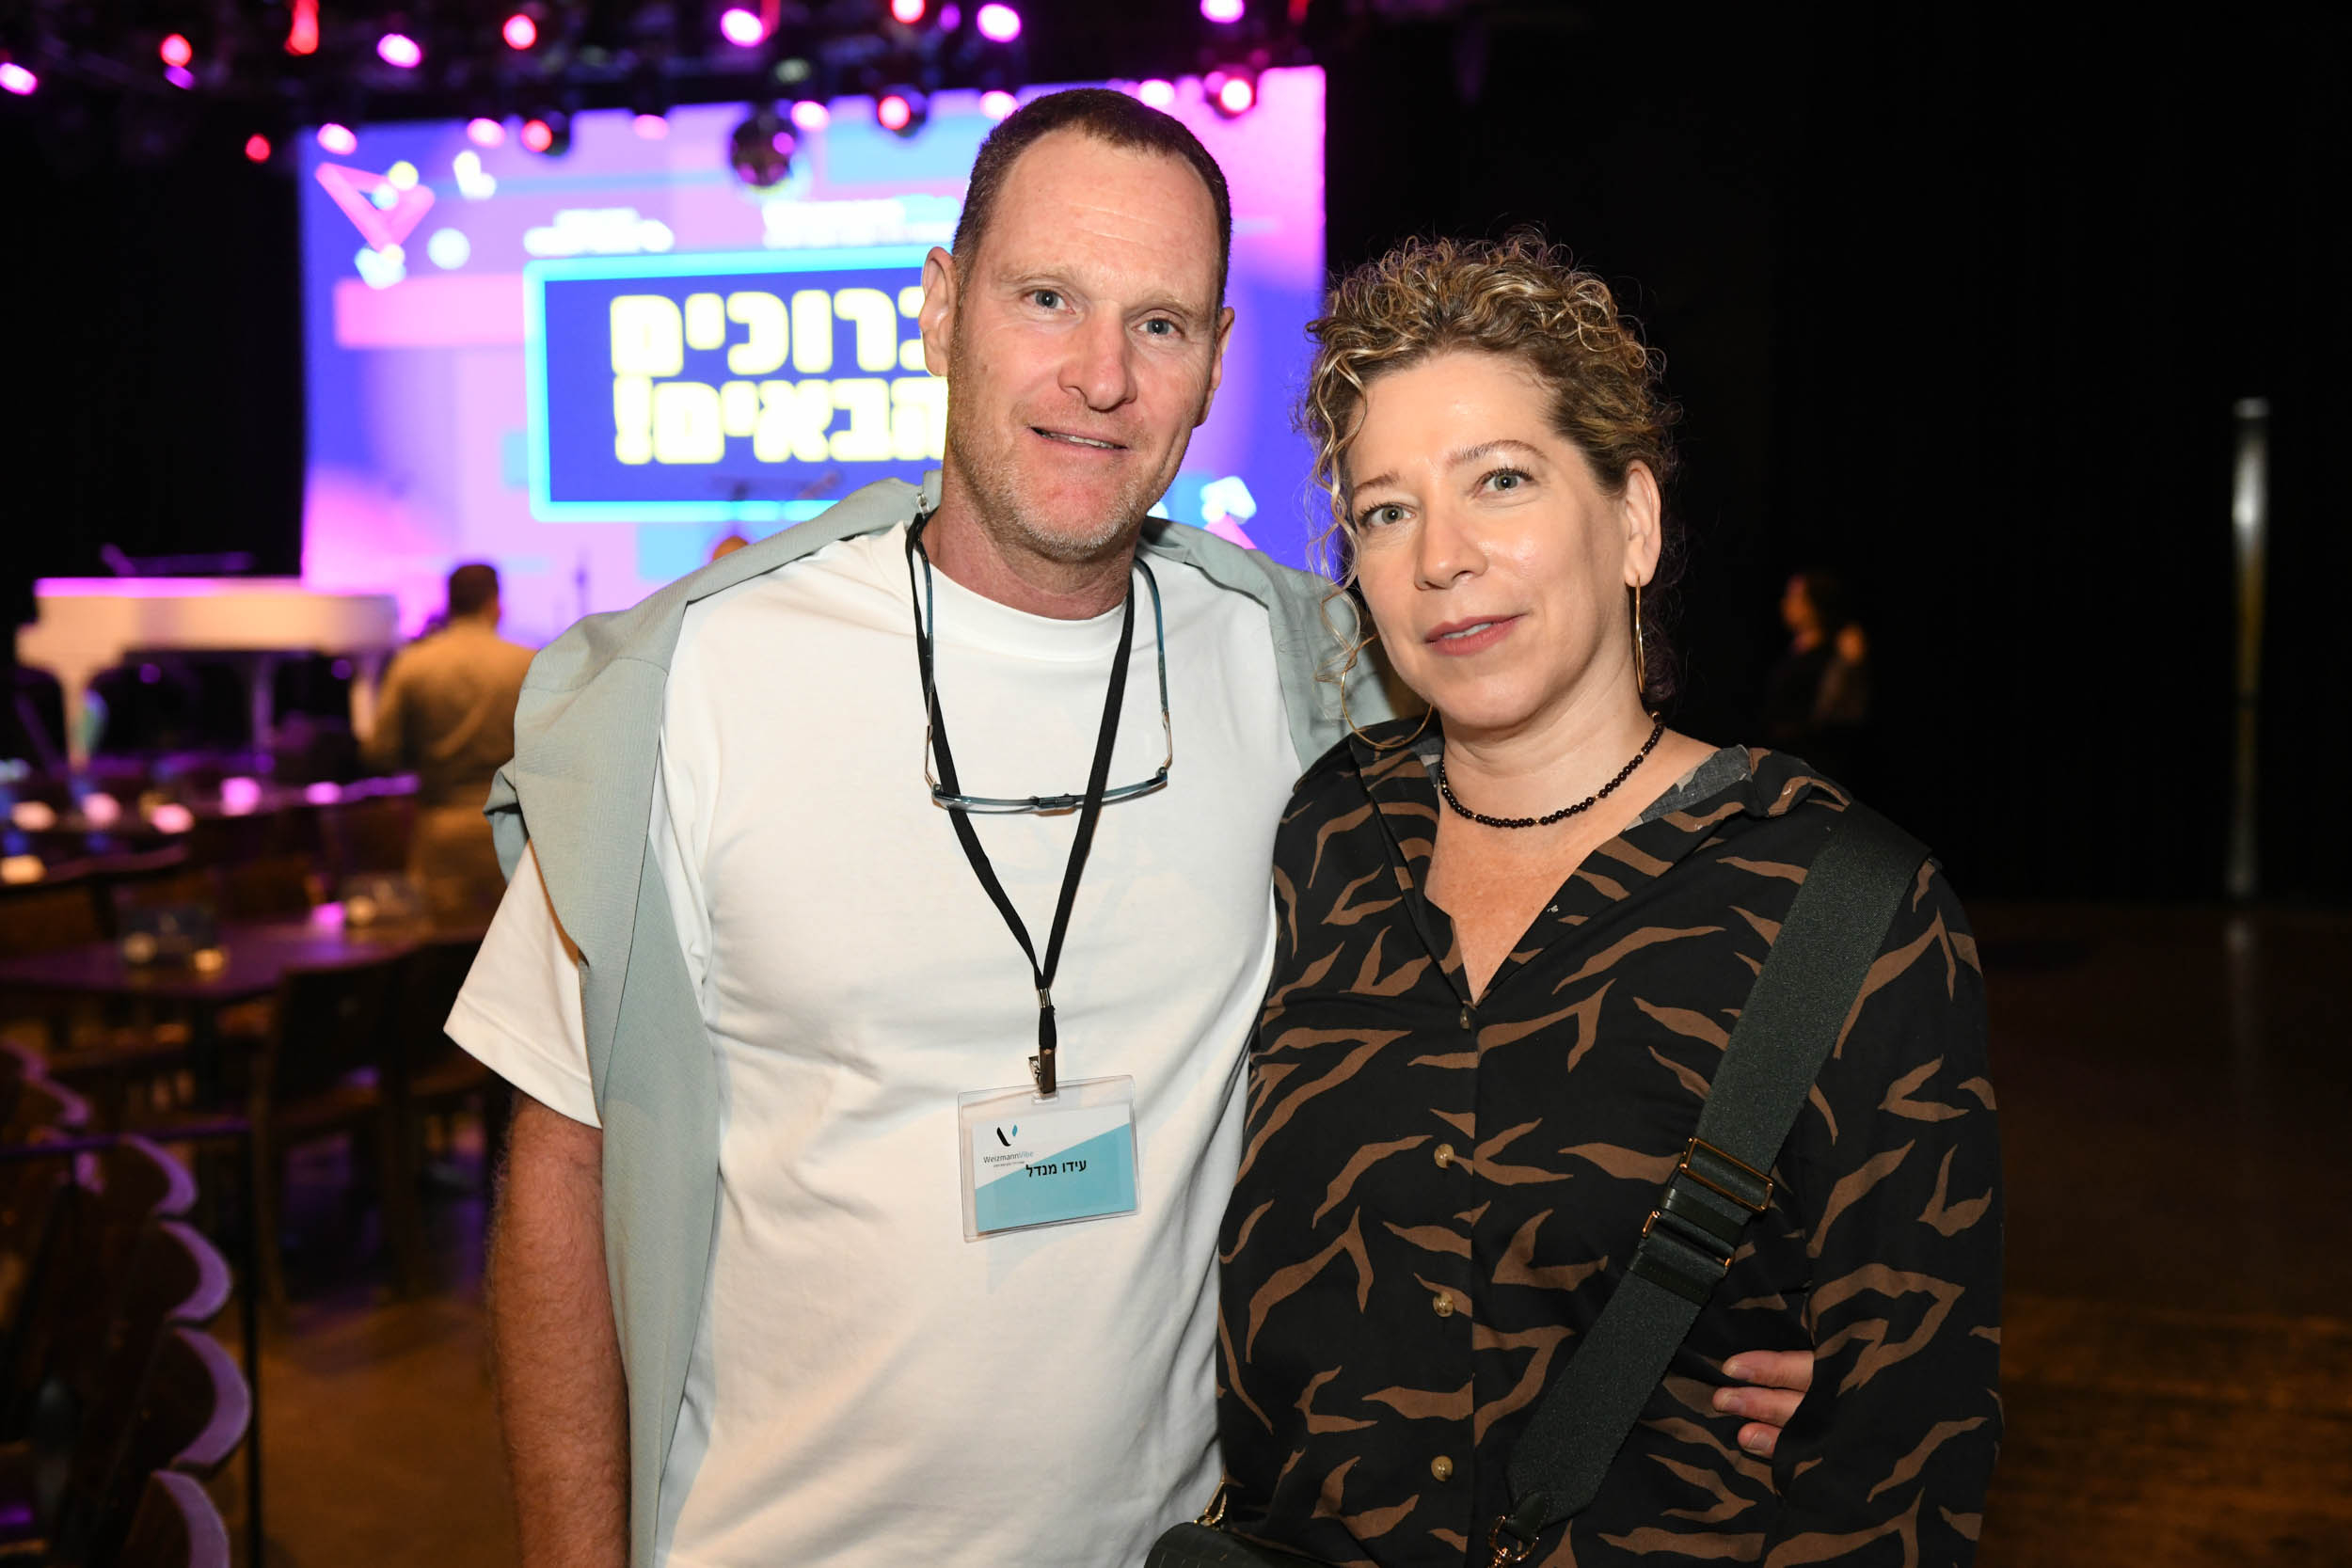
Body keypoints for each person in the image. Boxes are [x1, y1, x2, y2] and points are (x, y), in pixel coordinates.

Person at [446, 96, 1807, 1568]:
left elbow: (1536, 973)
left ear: (1214, 361)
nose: (1099, 376)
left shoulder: (1306, 678)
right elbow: (560, 1165)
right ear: (941, 306)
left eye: (1158, 325)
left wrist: (1745, 1300)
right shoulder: (693, 689)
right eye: (1047, 299)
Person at [1210, 236, 2001, 1564]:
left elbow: (1900, 1468)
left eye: (1500, 481)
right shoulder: (1327, 838)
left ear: (1633, 520)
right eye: (1387, 510)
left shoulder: (1848, 910)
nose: (1440, 557)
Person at [363, 562, 535, 926]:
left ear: (450, 604)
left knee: (444, 945)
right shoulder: (527, 664)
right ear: (495, 603)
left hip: (441, 831)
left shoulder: (413, 664)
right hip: (513, 830)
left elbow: (380, 752)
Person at [1761, 569, 1871, 782]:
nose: (1786, 603)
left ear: (1815, 605)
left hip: (1812, 769)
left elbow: (1831, 713)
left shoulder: (1834, 658)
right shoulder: (1793, 653)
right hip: (1782, 764)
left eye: (1795, 597)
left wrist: (1848, 665)